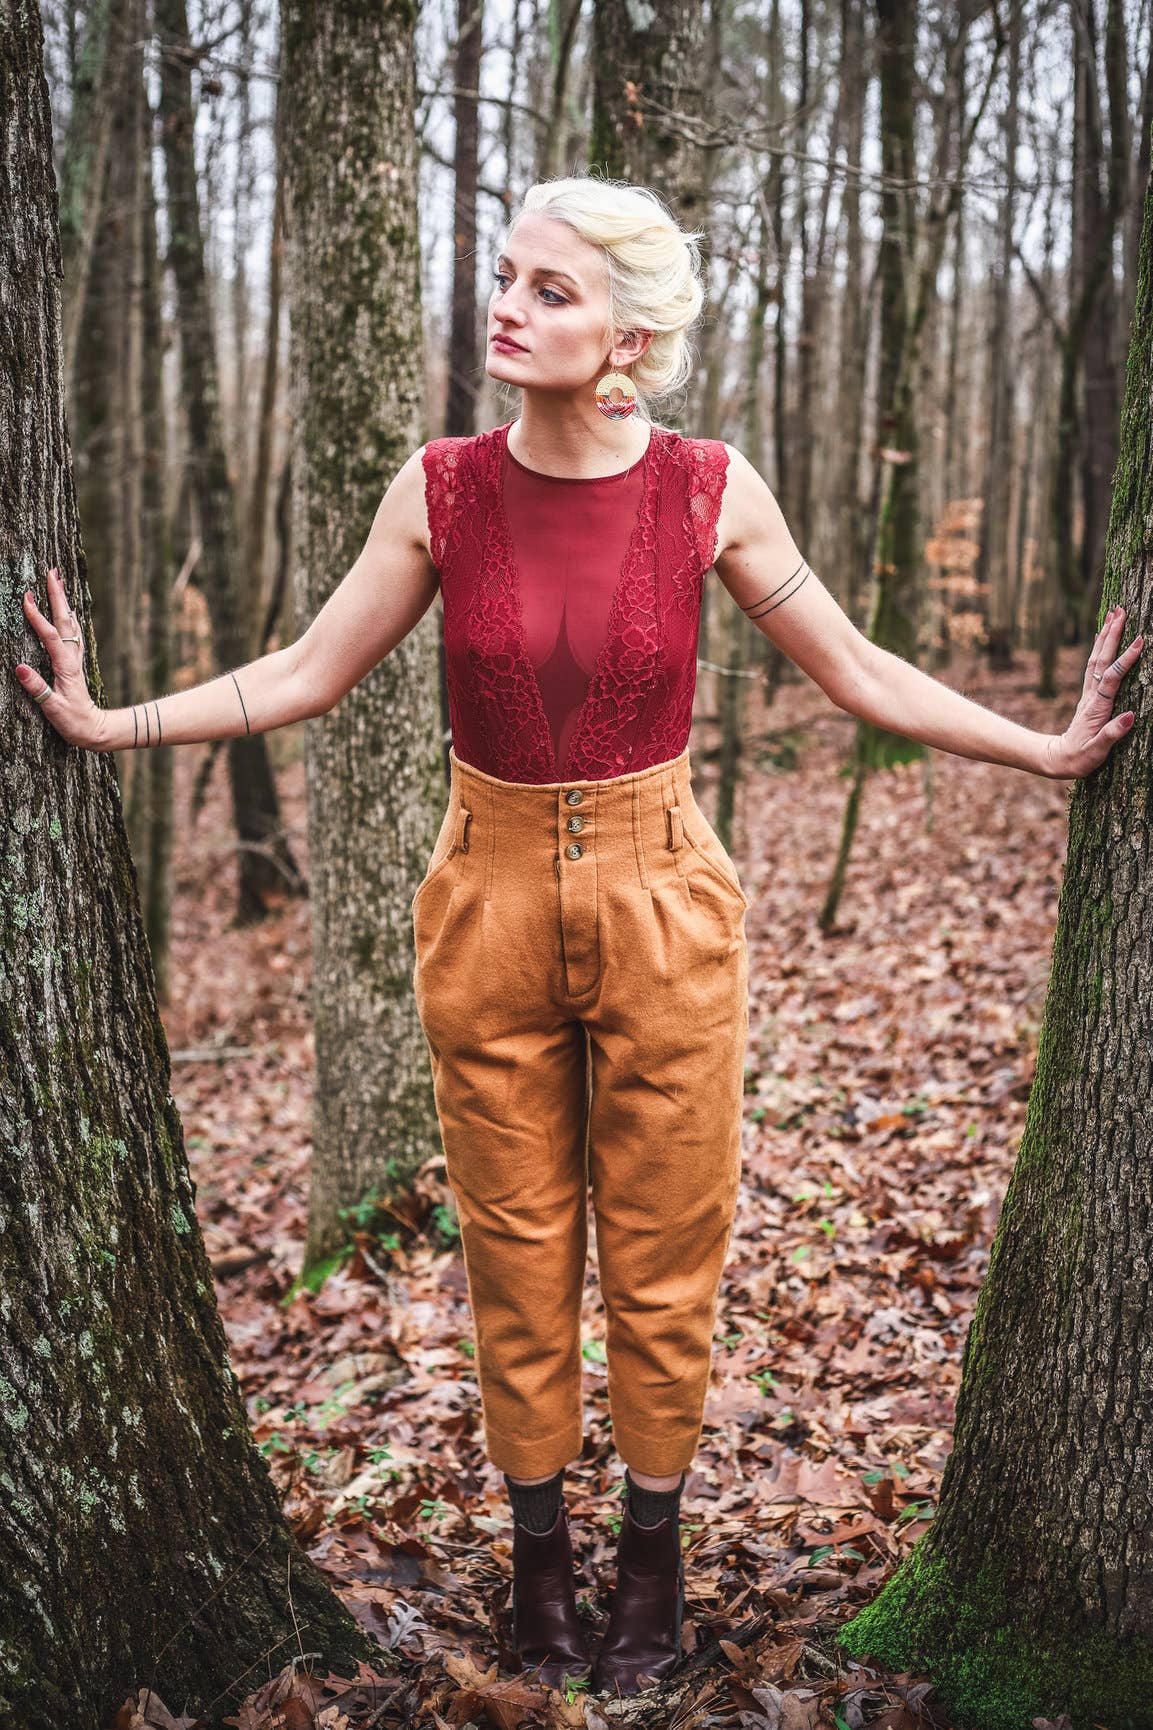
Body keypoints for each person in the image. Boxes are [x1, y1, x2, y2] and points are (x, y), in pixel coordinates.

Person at [13, 174, 1143, 1700]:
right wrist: (103, 719)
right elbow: (304, 670)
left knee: (668, 1254)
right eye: (504, 274)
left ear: (627, 331)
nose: (505, 304)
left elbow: (859, 672)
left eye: (548, 288)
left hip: (661, 894)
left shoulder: (707, 489)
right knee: (517, 1247)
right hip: (480, 899)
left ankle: (652, 1553)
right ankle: (538, 1555)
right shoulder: (439, 488)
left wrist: (1045, 746)